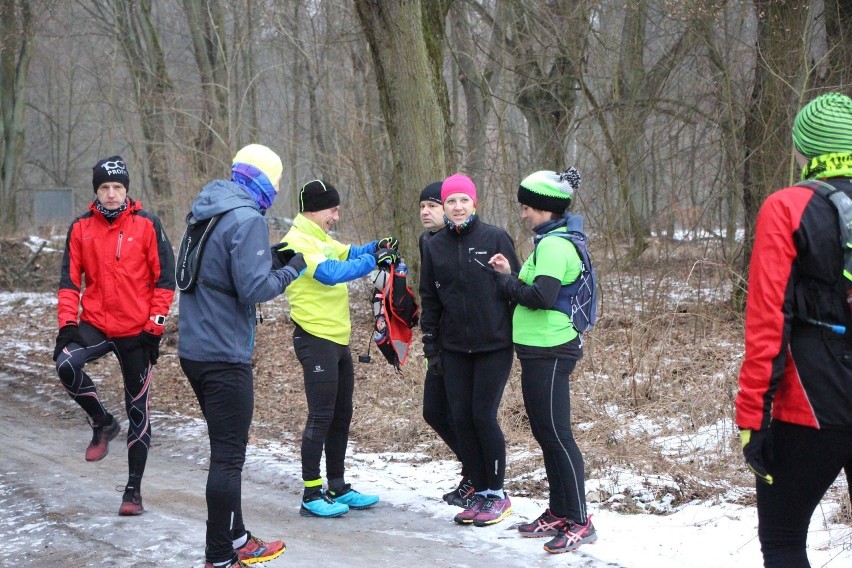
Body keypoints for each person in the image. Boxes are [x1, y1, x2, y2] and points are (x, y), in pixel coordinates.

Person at [735, 92, 852, 568]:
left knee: (783, 540)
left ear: (805, 150)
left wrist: (752, 417)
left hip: (811, 401)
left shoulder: (787, 206)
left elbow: (767, 320)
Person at [178, 144, 305, 568]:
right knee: (228, 457)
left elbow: (221, 270)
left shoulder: (206, 212)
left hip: (195, 350)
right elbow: (253, 289)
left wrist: (272, 257)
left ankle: (235, 536)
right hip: (224, 354)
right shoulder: (248, 217)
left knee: (224, 450)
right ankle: (220, 555)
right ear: (267, 181)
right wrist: (292, 269)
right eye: (279, 181)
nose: (279, 189)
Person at [53, 155, 175, 516]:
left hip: (137, 329)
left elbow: (165, 281)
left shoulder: (147, 224)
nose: (110, 194)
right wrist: (66, 327)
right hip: (95, 323)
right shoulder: (80, 228)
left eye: (117, 188)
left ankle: (133, 492)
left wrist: (154, 328)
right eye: (104, 188)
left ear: (126, 191)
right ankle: (103, 423)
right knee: (65, 364)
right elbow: (69, 283)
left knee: (138, 408)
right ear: (96, 191)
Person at [488, 168, 597, 553]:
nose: (524, 215)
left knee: (557, 436)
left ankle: (580, 520)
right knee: (547, 434)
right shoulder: (551, 242)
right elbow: (538, 287)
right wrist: (512, 274)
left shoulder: (554, 245)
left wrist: (505, 283)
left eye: (528, 207)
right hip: (540, 351)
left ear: (545, 208)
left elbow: (541, 298)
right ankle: (559, 511)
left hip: (551, 351)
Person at [281, 179, 399, 518]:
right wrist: (374, 260)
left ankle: (337, 485)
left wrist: (377, 246)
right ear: (315, 210)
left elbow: (348, 253)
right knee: (320, 416)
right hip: (315, 339)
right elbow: (331, 273)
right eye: (332, 210)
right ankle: (311, 493)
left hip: (337, 339)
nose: (336, 216)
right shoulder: (296, 241)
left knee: (341, 415)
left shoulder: (320, 237)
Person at [419, 173, 521, 526]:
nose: (457, 206)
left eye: (463, 200)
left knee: (482, 416)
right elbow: (430, 300)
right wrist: (431, 346)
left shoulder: (495, 237)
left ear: (474, 203)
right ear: (444, 207)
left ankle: (496, 493)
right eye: (451, 201)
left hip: (494, 344)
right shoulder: (434, 246)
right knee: (461, 419)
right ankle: (478, 490)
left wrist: (508, 277)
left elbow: (516, 286)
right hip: (453, 348)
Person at [417, 181, 471, 506]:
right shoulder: (428, 241)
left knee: (462, 415)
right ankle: (475, 472)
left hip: (465, 345)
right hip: (438, 343)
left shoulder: (462, 242)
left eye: (432, 205)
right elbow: (430, 296)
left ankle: (481, 477)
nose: (426, 211)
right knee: (434, 411)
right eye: (422, 205)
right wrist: (429, 343)